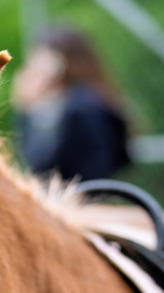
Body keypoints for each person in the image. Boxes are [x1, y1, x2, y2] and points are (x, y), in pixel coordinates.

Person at [12, 24, 131, 182]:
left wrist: (27, 110)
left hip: (78, 198)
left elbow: (39, 165)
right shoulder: (94, 99)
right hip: (92, 194)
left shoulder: (79, 107)